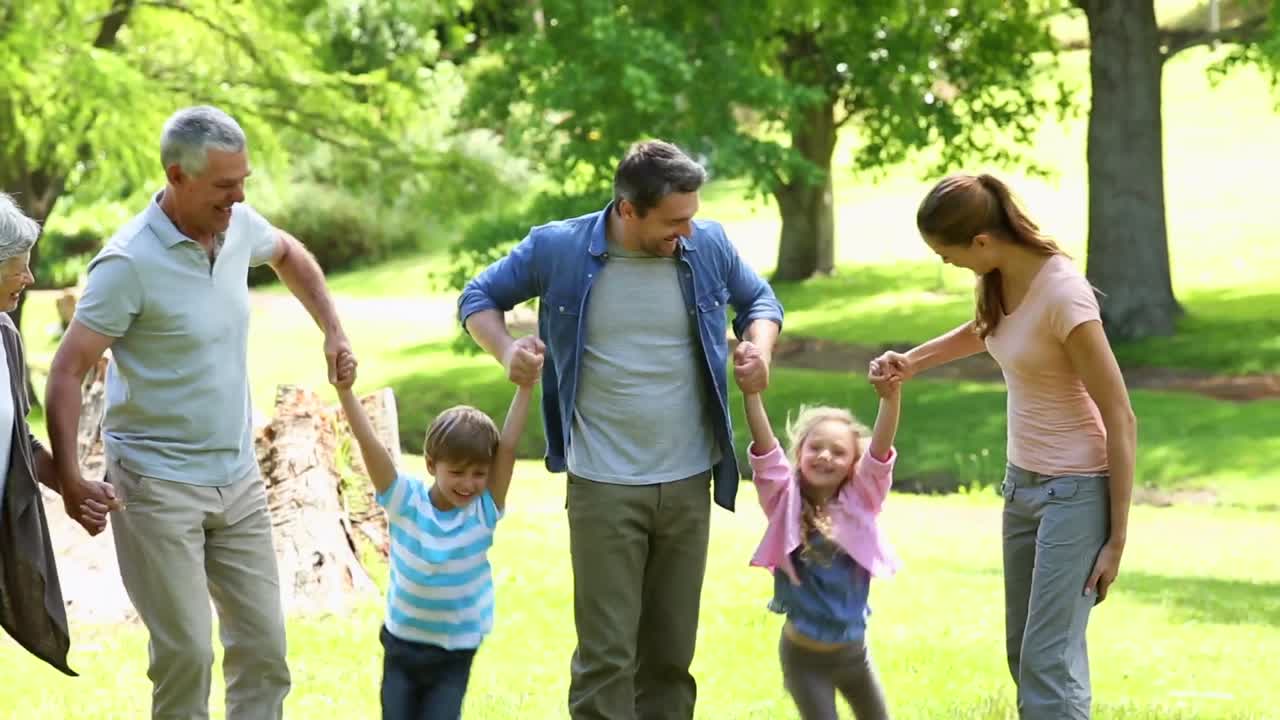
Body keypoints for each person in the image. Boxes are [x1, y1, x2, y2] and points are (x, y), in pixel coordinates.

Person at [44, 105, 354, 720]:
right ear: (177, 176)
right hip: (156, 485)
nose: (239, 198)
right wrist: (72, 479)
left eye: (243, 182)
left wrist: (333, 329)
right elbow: (67, 371)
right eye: (223, 185)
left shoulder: (238, 225)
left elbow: (288, 252)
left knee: (264, 652)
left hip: (237, 476)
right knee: (186, 656)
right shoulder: (127, 263)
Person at [457, 140, 784, 719]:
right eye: (673, 221)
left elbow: (759, 300)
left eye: (691, 216)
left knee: (670, 659)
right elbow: (478, 296)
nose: (686, 231)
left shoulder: (707, 245)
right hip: (602, 483)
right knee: (606, 659)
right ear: (628, 210)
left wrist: (759, 349)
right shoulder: (558, 248)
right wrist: (506, 351)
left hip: (689, 479)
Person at [870, 173, 1137, 720]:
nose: (948, 264)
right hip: (1022, 487)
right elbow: (988, 329)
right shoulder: (1000, 280)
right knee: (1024, 651)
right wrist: (911, 362)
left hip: (1077, 491)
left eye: (948, 254)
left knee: (1047, 660)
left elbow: (1120, 415)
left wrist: (1116, 539)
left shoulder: (1063, 295)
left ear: (982, 241)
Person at [332, 347, 537, 720]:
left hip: (454, 653)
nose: (468, 483)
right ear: (431, 465)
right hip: (402, 646)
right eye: (457, 472)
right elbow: (369, 444)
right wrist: (345, 391)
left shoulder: (483, 511)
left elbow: (506, 449)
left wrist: (525, 387)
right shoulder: (405, 501)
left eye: (479, 473)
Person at [739, 339, 901, 720]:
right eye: (816, 448)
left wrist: (890, 398)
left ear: (853, 464)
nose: (825, 456)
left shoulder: (862, 500)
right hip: (803, 659)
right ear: (800, 453)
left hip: (854, 656)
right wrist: (751, 393)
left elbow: (880, 452)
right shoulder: (784, 500)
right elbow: (765, 451)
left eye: (839, 452)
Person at [0, 192, 115, 676]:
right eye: (19, 266)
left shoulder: (5, 337)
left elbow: (17, 442)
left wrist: (72, 484)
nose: (29, 278)